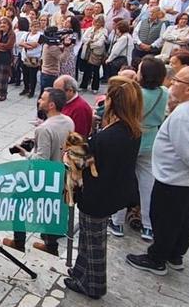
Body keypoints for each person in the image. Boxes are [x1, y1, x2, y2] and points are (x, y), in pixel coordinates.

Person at [126, 66, 189, 276]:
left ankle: (157, 259)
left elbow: (187, 152)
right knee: (185, 218)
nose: (172, 84)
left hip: (175, 179)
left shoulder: (184, 115)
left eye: (177, 81)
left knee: (165, 219)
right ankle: (175, 254)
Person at [65, 76, 142, 299]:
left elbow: (81, 161)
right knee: (88, 238)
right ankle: (81, 272)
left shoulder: (109, 136)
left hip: (97, 195)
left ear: (112, 101)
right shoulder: (131, 128)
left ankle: (95, 285)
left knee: (95, 242)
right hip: (113, 191)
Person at [3, 88, 74, 254]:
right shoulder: (68, 121)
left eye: (42, 99)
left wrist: (25, 153)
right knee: (52, 209)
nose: (39, 101)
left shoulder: (43, 129)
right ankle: (51, 246)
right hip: (61, 174)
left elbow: (42, 161)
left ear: (51, 105)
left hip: (44, 178)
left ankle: (18, 241)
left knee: (17, 201)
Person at [110, 57, 168, 241]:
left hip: (131, 137)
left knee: (121, 180)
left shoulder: (135, 92)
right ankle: (148, 226)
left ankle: (117, 221)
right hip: (151, 138)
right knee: (147, 184)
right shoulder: (164, 92)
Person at [78, 15, 107, 93]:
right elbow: (83, 39)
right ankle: (83, 86)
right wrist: (92, 40)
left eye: (99, 22)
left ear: (102, 23)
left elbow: (100, 43)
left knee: (96, 70)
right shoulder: (90, 29)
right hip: (87, 52)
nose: (97, 23)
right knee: (87, 69)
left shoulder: (104, 31)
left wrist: (90, 43)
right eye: (96, 21)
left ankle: (95, 87)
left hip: (96, 53)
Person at [19, 19, 44, 98]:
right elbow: (20, 43)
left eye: (37, 27)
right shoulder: (26, 34)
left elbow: (35, 44)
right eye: (33, 26)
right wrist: (27, 45)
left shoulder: (41, 35)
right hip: (25, 57)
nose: (35, 28)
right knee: (25, 74)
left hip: (34, 58)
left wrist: (25, 44)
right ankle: (26, 88)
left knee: (32, 76)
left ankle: (32, 91)